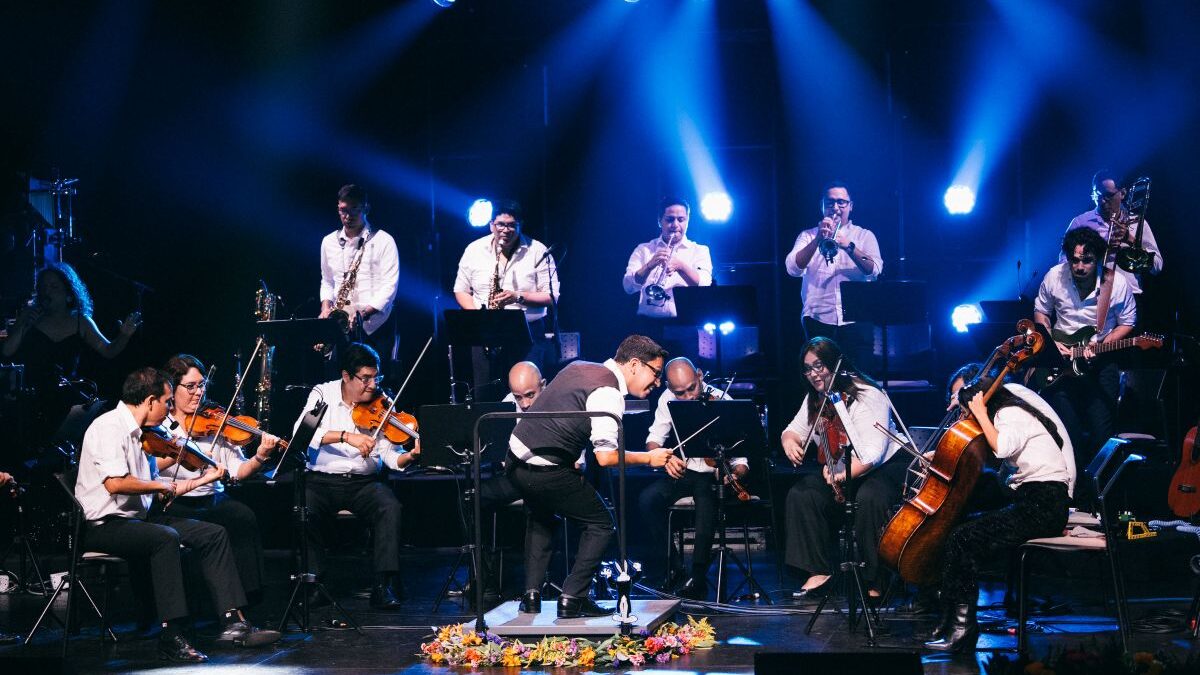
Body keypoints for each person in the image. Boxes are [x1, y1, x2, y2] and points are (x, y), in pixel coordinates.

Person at [74, 368, 279, 662]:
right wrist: (164, 483)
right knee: (165, 539)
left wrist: (202, 480)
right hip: (104, 525)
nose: (170, 409)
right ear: (150, 401)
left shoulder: (143, 434)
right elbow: (116, 483)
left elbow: (158, 493)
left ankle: (233, 622)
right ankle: (171, 635)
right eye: (167, 402)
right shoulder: (108, 427)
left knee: (213, 533)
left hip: (137, 519)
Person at [509, 335, 672, 618]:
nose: (658, 383)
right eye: (656, 373)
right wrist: (649, 457)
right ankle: (573, 598)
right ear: (634, 364)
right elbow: (606, 457)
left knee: (540, 516)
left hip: (514, 462)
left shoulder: (579, 366)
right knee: (601, 525)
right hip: (545, 469)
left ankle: (532, 596)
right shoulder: (608, 392)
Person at [924, 363, 1075, 653]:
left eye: (969, 411)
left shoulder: (1010, 413)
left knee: (963, 538)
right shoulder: (1005, 415)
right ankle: (949, 619)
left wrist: (979, 410)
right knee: (957, 530)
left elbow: (1002, 447)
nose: (967, 419)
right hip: (1032, 499)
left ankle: (963, 630)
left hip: (1045, 503)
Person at [291, 342, 419, 609]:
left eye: (376, 377)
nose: (372, 385)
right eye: (365, 378)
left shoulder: (383, 403)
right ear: (346, 376)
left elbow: (389, 454)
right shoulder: (322, 393)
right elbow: (302, 434)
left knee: (390, 507)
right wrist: (347, 436)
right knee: (305, 509)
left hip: (364, 484)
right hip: (322, 481)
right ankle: (315, 584)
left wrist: (409, 456)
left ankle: (383, 586)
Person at [780, 337, 904, 601]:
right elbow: (793, 430)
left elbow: (873, 454)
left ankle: (876, 579)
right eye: (807, 369)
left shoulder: (867, 395)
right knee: (802, 494)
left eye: (819, 366)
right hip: (841, 471)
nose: (813, 374)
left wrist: (838, 476)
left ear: (834, 362)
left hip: (884, 467)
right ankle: (818, 571)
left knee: (870, 497)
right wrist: (790, 442)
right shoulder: (815, 398)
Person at [158, 354, 282, 607]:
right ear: (172, 388)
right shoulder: (160, 424)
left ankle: (250, 599)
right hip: (177, 501)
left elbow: (238, 471)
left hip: (211, 499)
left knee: (242, 515)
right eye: (190, 387)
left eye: (202, 385)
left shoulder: (216, 420)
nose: (198, 393)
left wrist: (259, 456)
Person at [637, 357, 748, 600]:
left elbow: (741, 461)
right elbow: (653, 438)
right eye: (680, 392)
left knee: (705, 498)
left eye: (691, 388)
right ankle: (676, 569)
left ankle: (697, 577)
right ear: (668, 387)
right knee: (647, 500)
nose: (687, 397)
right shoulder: (667, 399)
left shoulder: (722, 401)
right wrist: (664, 458)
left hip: (714, 475)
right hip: (685, 471)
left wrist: (734, 475)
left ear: (699, 376)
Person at [1034, 227, 1135, 486]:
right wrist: (1052, 342)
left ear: (1098, 259)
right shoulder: (1055, 276)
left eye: (1087, 260)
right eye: (1075, 260)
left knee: (1102, 431)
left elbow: (1127, 322)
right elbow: (1041, 313)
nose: (1080, 266)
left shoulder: (1117, 283)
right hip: (1062, 364)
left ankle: (1103, 495)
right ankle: (1073, 494)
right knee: (1067, 432)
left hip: (1100, 363)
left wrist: (1102, 343)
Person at [454, 200, 559, 398]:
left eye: (512, 225)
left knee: (528, 394)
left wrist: (518, 296)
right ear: (491, 224)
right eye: (501, 224)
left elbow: (552, 297)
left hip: (527, 335)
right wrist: (479, 318)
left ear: (520, 224)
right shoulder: (474, 250)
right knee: (485, 394)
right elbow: (460, 290)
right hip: (485, 332)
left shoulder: (538, 250)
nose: (506, 230)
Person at [784, 182, 882, 373]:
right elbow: (792, 269)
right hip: (818, 318)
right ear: (822, 205)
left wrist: (849, 246)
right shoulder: (807, 236)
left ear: (850, 206)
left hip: (856, 321)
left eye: (841, 202)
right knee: (822, 381)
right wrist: (818, 239)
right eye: (830, 202)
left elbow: (875, 270)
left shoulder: (864, 235)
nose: (835, 208)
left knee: (859, 381)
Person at [318, 184, 400, 370]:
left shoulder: (383, 240)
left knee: (374, 385)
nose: (348, 216)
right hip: (341, 326)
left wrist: (363, 314)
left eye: (354, 209)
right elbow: (327, 280)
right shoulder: (328, 242)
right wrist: (325, 307)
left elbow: (390, 286)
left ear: (366, 208)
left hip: (375, 327)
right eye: (343, 210)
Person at [1063, 170, 1162, 295]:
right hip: (1091, 297)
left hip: (1129, 297)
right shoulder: (1080, 222)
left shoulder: (1137, 222)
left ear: (1123, 193)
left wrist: (1131, 240)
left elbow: (1157, 266)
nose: (1103, 201)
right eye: (1098, 196)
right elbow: (1064, 264)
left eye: (1108, 195)